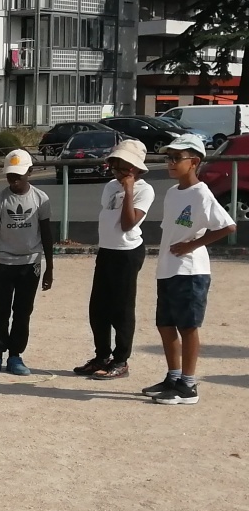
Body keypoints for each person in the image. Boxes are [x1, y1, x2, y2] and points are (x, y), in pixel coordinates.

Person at [142, 133, 236, 405]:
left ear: (194, 161)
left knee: (188, 326)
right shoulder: (173, 192)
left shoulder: (201, 193)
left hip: (190, 270)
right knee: (165, 324)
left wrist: (193, 244)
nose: (170, 162)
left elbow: (227, 225)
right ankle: (173, 376)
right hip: (168, 268)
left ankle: (189, 384)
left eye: (177, 158)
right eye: (168, 157)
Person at [73, 138, 154, 380]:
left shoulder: (144, 190)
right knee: (98, 308)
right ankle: (101, 356)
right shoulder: (110, 187)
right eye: (114, 166)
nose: (116, 171)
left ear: (134, 168)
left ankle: (121, 360)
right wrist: (120, 185)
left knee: (122, 308)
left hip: (127, 252)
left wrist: (129, 189)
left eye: (121, 167)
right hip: (107, 250)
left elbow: (128, 223)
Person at [0, 149, 54, 376]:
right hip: (3, 263)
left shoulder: (40, 199)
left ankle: (15, 356)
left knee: (23, 311)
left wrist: (49, 268)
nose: (14, 179)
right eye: (10, 175)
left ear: (30, 172)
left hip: (30, 265)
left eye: (19, 175)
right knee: (0, 311)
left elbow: (47, 235)